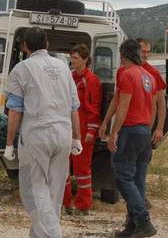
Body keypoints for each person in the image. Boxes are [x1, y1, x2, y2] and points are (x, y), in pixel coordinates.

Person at [4, 27, 82, 238]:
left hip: (37, 136)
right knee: (54, 192)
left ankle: (53, 234)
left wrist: (9, 143)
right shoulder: (63, 67)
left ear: (25, 46)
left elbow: (15, 110)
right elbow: (74, 106)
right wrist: (76, 137)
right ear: (46, 44)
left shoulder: (22, 69)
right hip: (63, 134)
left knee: (35, 190)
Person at [99, 38, 166, 209]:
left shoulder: (150, 73)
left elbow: (158, 104)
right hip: (140, 129)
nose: (146, 55)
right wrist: (106, 122)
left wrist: (157, 128)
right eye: (143, 51)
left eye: (148, 51)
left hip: (134, 129)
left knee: (125, 175)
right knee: (135, 176)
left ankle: (141, 216)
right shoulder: (128, 72)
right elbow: (117, 98)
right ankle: (135, 221)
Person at [107, 39, 157, 238]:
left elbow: (123, 106)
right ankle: (133, 226)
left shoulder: (127, 75)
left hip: (131, 129)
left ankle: (143, 221)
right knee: (138, 180)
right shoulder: (148, 76)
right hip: (144, 129)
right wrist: (150, 129)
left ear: (123, 54)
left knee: (122, 176)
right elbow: (152, 107)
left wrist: (114, 133)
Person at [63, 44, 102, 215]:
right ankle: (66, 203)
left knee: (82, 170)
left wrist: (91, 132)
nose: (72, 60)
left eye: (76, 58)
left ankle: (84, 206)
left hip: (84, 128)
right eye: (71, 57)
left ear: (85, 59)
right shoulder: (70, 77)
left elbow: (94, 109)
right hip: (67, 128)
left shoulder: (92, 80)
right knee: (63, 167)